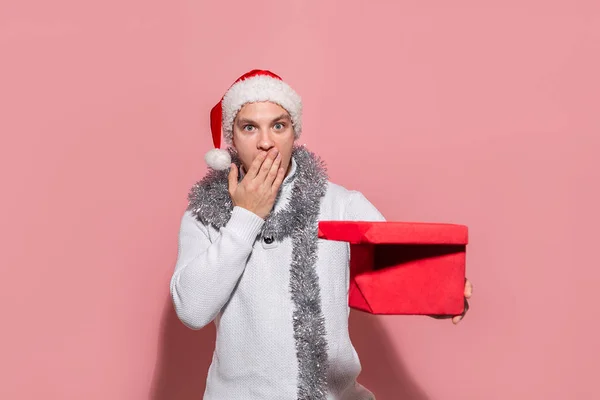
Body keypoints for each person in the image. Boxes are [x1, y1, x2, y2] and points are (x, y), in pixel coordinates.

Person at [170, 69, 473, 400]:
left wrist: (437, 293)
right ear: (231, 137)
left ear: (294, 132)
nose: (266, 141)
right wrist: (246, 216)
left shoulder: (341, 203)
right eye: (249, 127)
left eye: (278, 125)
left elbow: (392, 275)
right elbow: (192, 310)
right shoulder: (206, 212)